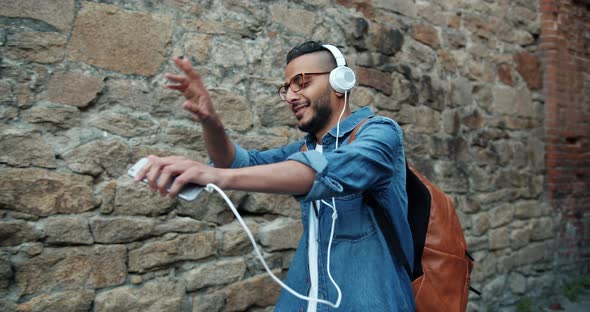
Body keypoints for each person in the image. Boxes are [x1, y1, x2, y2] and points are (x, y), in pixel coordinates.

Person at [135, 41, 415, 311]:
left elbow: (325, 169)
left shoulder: (381, 133)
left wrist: (213, 176)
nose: (291, 96)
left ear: (340, 82)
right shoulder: (306, 148)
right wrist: (211, 122)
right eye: (287, 88)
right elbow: (236, 165)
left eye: (302, 82)